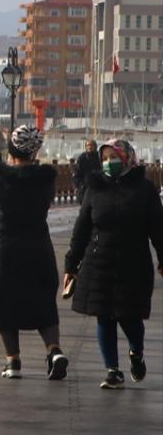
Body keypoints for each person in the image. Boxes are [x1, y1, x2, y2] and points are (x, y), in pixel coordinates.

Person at [62, 139, 163, 390]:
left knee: (130, 318)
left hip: (134, 263)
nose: (109, 163)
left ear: (127, 157)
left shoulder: (145, 190)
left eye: (114, 157)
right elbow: (81, 229)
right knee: (104, 317)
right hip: (99, 262)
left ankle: (136, 352)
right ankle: (113, 371)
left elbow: (158, 230)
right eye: (105, 159)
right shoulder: (95, 188)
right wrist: (71, 265)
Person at [0, 124, 68, 380]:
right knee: (43, 302)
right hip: (38, 246)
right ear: (35, 151)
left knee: (4, 301)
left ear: (12, 150)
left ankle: (12, 361)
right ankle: (54, 350)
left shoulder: (0, 178)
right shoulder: (46, 180)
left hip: (4, 249)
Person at [72, 139, 100, 204]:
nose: (89, 147)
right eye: (88, 145)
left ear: (95, 147)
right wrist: (77, 186)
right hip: (85, 185)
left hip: (97, 185)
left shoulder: (99, 156)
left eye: (91, 145)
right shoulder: (82, 158)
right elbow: (77, 173)